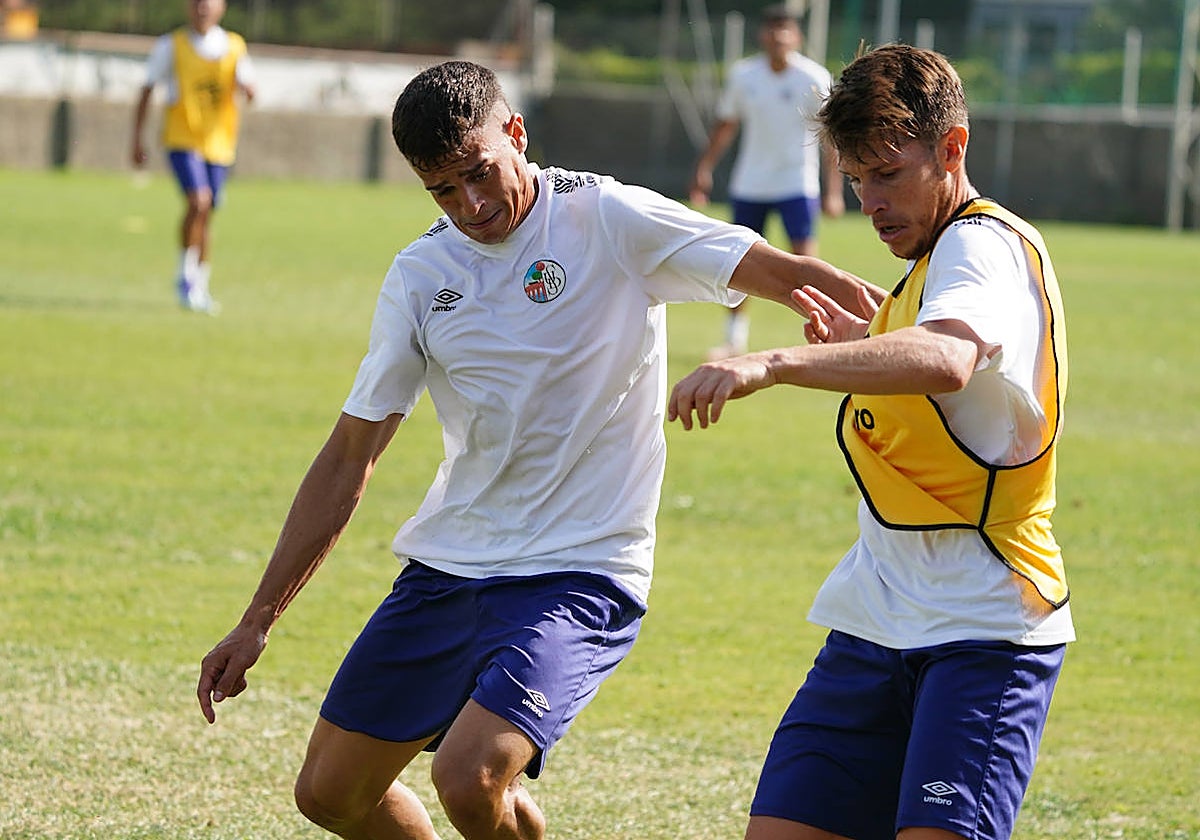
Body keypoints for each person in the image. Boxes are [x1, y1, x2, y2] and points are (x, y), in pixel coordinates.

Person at [196, 60, 879, 840]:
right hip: (452, 564)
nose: (472, 205)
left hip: (581, 568)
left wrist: (870, 320)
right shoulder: (423, 276)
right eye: (443, 192)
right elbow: (352, 453)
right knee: (329, 793)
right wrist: (258, 619)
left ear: (516, 133)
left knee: (466, 773)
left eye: (479, 172)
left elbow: (776, 268)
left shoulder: (607, 217)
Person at [669, 44, 1073, 840]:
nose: (869, 202)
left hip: (983, 629)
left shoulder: (979, 245)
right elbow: (934, 362)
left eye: (887, 174)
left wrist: (775, 362)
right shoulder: (930, 263)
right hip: (876, 620)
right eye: (856, 178)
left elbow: (949, 357)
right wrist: (870, 336)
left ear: (952, 150)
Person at [689, 3, 845, 360]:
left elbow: (828, 140)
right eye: (772, 29)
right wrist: (704, 168)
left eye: (785, 30)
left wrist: (834, 191)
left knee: (807, 264)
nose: (778, 37)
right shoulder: (744, 76)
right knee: (739, 262)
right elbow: (726, 124)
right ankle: (734, 338)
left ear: (796, 37)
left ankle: (828, 334)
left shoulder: (814, 78)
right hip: (751, 185)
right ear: (762, 35)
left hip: (797, 185)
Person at [131, 0, 255, 314]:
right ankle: (184, 276)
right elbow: (147, 89)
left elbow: (249, 86)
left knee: (207, 211)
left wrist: (248, 90)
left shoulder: (233, 46)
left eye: (208, 3)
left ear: (221, 8)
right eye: (196, 3)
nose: (202, 8)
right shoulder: (171, 46)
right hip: (182, 139)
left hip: (220, 144)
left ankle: (200, 283)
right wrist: (137, 139)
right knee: (198, 202)